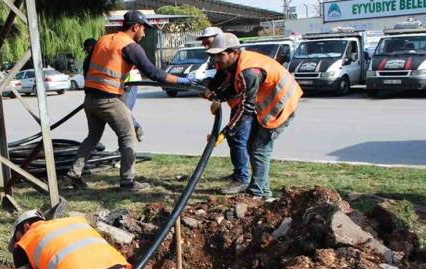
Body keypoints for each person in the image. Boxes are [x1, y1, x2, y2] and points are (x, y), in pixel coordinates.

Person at [67, 10, 193, 192]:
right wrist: (181, 80)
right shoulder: (129, 46)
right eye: (144, 29)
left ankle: (74, 173)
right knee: (128, 137)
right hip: (108, 100)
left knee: (93, 137)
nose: (145, 33)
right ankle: (128, 182)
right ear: (136, 27)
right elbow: (153, 73)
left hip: (90, 99)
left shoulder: (103, 40)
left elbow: (89, 67)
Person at [203, 32, 302, 200]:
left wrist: (226, 131)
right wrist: (218, 96)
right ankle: (264, 194)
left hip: (281, 106)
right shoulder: (237, 64)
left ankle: (256, 193)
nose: (217, 60)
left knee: (259, 148)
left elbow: (246, 107)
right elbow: (236, 89)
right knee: (252, 145)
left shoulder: (249, 71)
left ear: (234, 52)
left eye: (221, 55)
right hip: (267, 106)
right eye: (215, 55)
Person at [198, 28, 250, 188]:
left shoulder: (237, 62)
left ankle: (242, 178)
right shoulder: (221, 57)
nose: (205, 45)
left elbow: (238, 89)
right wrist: (212, 91)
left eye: (207, 41)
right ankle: (238, 172)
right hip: (237, 103)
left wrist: (218, 97)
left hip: (246, 105)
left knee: (238, 139)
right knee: (235, 140)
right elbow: (220, 76)